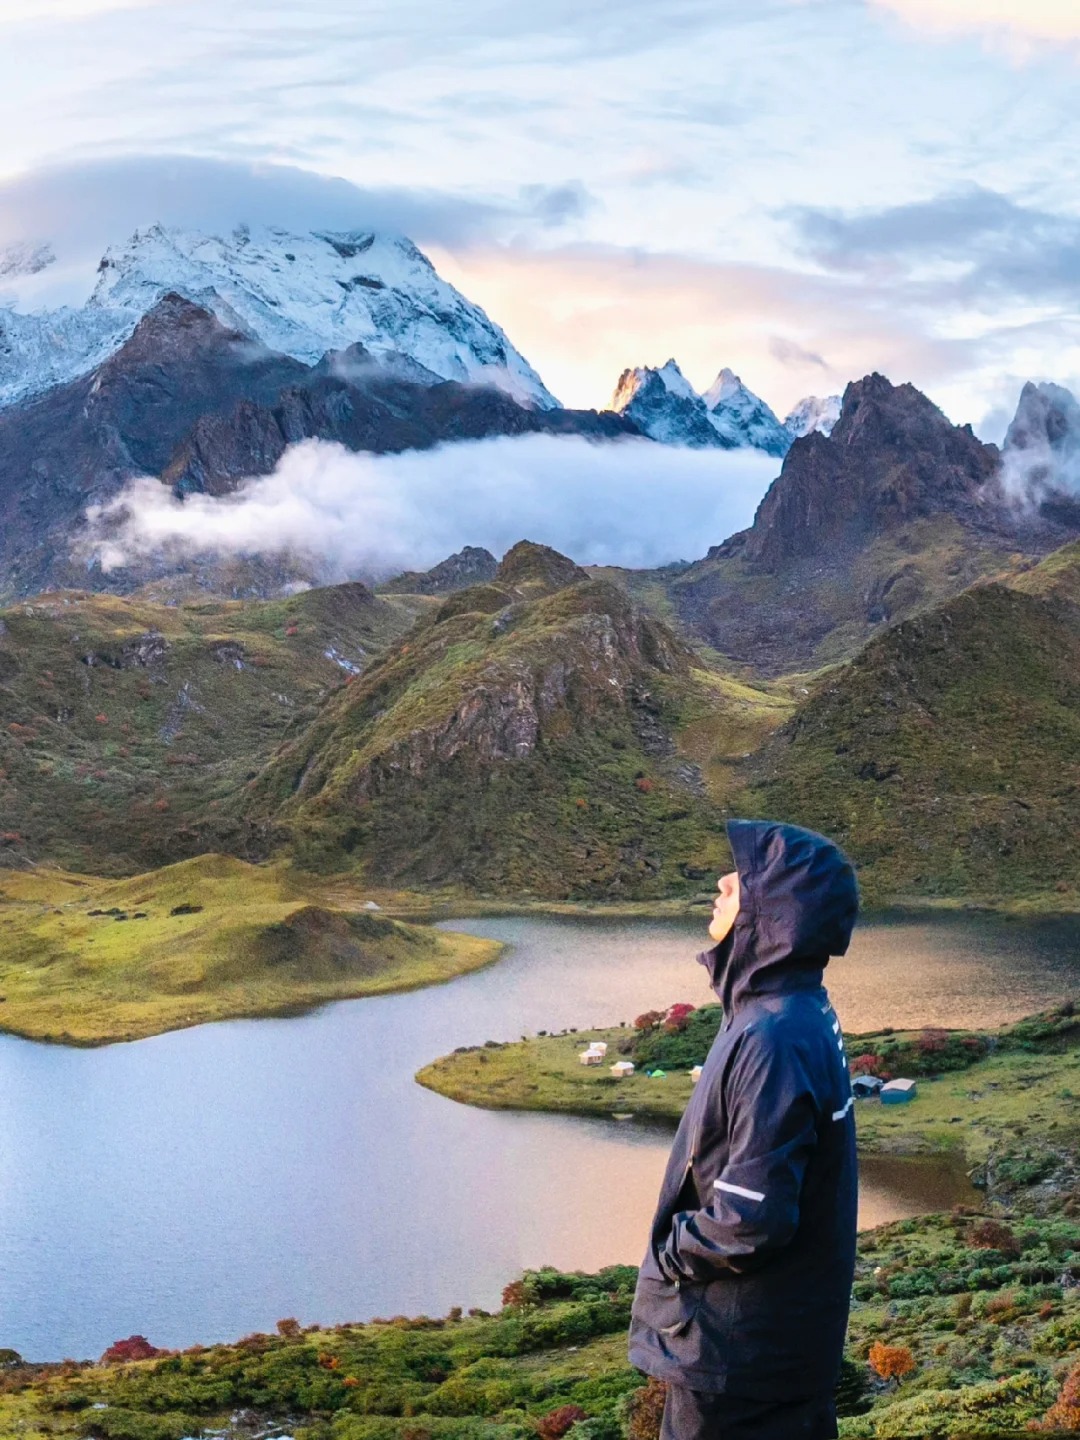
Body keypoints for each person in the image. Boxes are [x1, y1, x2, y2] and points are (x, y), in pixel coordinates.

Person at [628, 819, 860, 1440]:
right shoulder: (796, 1011)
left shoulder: (772, 1036)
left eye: (741, 880)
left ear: (773, 911)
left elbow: (751, 1219)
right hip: (777, 1349)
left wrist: (668, 1251)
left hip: (738, 1362)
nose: (723, 882)